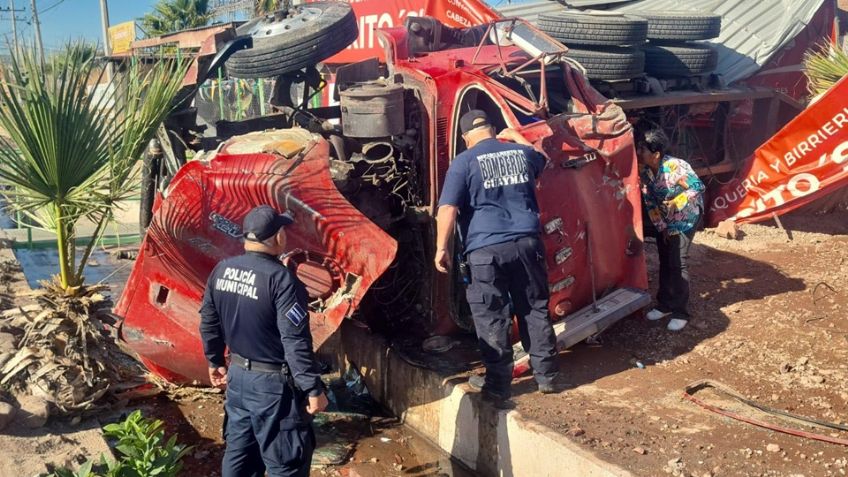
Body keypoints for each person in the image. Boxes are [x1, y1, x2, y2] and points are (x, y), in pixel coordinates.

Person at [434, 109, 558, 404]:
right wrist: (518, 137)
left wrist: (442, 248)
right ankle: (548, 377)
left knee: (492, 316)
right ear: (492, 130)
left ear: (466, 138)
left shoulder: (463, 162)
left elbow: (448, 209)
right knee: (534, 308)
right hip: (527, 244)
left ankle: (499, 386)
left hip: (486, 251)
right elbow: (544, 160)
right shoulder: (520, 153)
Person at [199, 205, 329, 477]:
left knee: (240, 458)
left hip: (237, 379)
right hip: (273, 388)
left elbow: (209, 322)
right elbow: (294, 340)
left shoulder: (222, 270)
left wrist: (214, 360)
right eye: (284, 231)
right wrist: (312, 388)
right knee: (286, 463)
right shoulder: (282, 280)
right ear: (277, 236)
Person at [636, 128, 705, 331]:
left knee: (678, 262)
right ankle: (664, 304)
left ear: (656, 154)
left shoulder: (675, 166)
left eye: (642, 149)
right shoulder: (647, 172)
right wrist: (661, 227)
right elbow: (650, 202)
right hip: (666, 221)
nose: (639, 152)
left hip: (686, 218)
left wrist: (677, 201)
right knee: (665, 259)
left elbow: (698, 187)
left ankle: (681, 311)